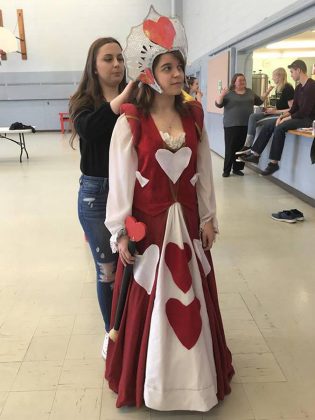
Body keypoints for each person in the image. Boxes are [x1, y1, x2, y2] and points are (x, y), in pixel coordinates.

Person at [104, 7, 234, 412]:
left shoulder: (193, 115)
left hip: (190, 227)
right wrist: (121, 231)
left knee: (193, 296)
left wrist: (209, 217)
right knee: (151, 300)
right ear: (149, 74)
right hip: (151, 230)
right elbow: (122, 182)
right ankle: (152, 380)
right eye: (168, 67)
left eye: (179, 66)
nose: (178, 74)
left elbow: (204, 172)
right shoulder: (130, 123)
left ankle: (197, 380)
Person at [69, 37, 135, 359]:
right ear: (94, 67)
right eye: (108, 59)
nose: (117, 64)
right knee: (107, 272)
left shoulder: (138, 100)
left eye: (120, 58)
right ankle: (113, 335)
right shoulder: (83, 101)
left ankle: (132, 328)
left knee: (134, 265)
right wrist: (123, 98)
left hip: (131, 192)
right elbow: (90, 130)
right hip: (97, 196)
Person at [242, 59, 315, 175]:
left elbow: (304, 112)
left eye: (292, 72)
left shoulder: (312, 86)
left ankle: (273, 163)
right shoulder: (298, 88)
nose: (290, 74)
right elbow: (293, 109)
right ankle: (255, 155)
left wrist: (284, 119)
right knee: (269, 125)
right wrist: (282, 117)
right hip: (297, 117)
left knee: (280, 127)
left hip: (307, 120)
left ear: (299, 70)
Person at [215, 73, 272, 177]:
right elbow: (218, 104)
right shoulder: (229, 93)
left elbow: (259, 101)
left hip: (247, 124)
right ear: (234, 82)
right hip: (231, 125)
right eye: (240, 80)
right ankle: (226, 170)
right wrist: (222, 94)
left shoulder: (250, 92)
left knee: (242, 148)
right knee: (230, 148)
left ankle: (237, 169)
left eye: (243, 80)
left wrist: (268, 91)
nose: (242, 82)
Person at [236, 67, 294, 156]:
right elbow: (280, 105)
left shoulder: (288, 88)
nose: (273, 78)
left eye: (273, 76)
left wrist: (275, 111)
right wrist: (271, 109)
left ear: (279, 76)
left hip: (284, 116)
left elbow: (292, 109)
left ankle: (252, 151)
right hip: (276, 113)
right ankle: (247, 145)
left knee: (260, 123)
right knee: (253, 116)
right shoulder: (278, 89)